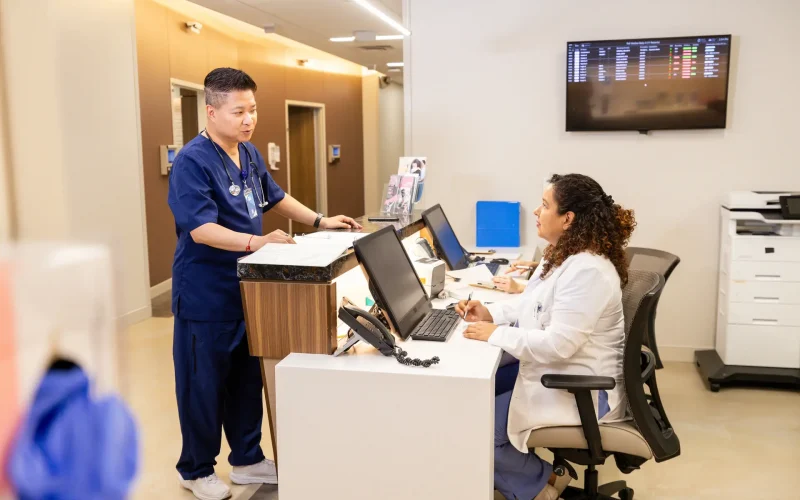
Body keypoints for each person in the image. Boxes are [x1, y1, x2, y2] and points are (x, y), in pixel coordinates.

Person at [168, 67, 361, 500]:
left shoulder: (248, 153)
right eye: (239, 111)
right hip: (206, 294)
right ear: (212, 111)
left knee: (245, 379)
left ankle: (247, 459)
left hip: (251, 291)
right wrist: (257, 241)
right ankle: (195, 469)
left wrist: (319, 219)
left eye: (252, 110)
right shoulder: (192, 162)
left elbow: (275, 196)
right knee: (202, 386)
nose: (248, 119)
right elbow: (201, 229)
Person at [456, 174, 636, 500]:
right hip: (556, 374)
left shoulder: (589, 270)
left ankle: (541, 489)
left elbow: (559, 345)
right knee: (469, 399)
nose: (537, 213)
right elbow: (529, 304)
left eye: (544, 206)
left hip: (581, 390)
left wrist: (495, 334)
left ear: (568, 219)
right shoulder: (561, 254)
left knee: (475, 426)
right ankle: (550, 477)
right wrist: (490, 315)